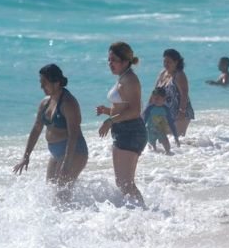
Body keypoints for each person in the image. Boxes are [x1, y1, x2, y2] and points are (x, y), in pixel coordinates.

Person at [14, 64, 89, 202]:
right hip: (56, 154)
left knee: (61, 196)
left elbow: (73, 136)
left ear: (56, 82)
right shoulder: (45, 103)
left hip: (74, 152)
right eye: (41, 82)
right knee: (51, 191)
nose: (41, 87)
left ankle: (77, 220)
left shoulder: (68, 103)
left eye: (44, 83)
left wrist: (67, 163)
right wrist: (26, 156)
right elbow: (36, 128)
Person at [96, 42, 147, 207]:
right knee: (123, 182)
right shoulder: (123, 78)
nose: (110, 63)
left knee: (125, 183)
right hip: (123, 130)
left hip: (131, 131)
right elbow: (122, 108)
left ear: (125, 61)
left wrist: (110, 121)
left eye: (114, 60)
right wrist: (107, 111)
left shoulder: (130, 80)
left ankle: (144, 211)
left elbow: (134, 111)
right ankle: (141, 210)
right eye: (109, 60)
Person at [155, 49, 194, 136]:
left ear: (176, 62)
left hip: (180, 112)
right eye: (164, 61)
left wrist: (181, 112)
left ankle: (198, 149)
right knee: (162, 139)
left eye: (169, 62)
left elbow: (184, 95)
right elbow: (155, 93)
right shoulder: (162, 74)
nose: (166, 64)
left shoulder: (179, 75)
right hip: (165, 113)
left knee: (177, 140)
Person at [143, 87, 179, 154]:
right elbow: (143, 121)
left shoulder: (166, 109)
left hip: (161, 131)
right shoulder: (149, 108)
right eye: (154, 98)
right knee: (152, 150)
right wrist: (141, 132)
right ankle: (154, 160)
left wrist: (176, 136)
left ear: (164, 98)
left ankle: (169, 159)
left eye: (158, 98)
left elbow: (171, 123)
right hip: (150, 132)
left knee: (168, 148)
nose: (155, 100)